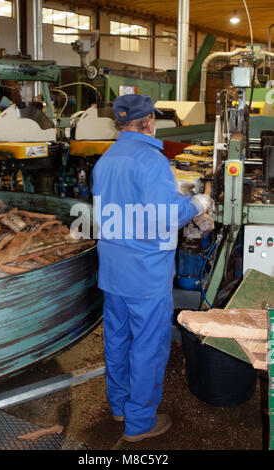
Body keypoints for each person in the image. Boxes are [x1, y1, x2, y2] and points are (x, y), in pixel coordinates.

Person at [91, 94, 214, 443]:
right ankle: (140, 422)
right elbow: (164, 215)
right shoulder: (151, 161)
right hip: (146, 275)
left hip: (113, 272)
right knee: (147, 347)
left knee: (116, 340)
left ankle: (118, 406)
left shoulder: (105, 161)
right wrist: (197, 203)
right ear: (148, 122)